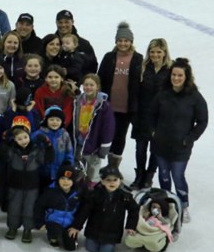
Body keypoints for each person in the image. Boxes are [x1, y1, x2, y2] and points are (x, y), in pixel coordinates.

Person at [149, 58, 208, 222]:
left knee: (178, 175)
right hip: (160, 145)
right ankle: (166, 204)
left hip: (181, 147)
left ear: (186, 77)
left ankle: (183, 204)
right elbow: (151, 115)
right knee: (164, 175)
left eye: (180, 75)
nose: (176, 78)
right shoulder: (162, 94)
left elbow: (202, 121)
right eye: (174, 75)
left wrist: (190, 138)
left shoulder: (195, 97)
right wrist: (153, 132)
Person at [96, 22, 142, 171]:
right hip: (109, 105)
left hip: (127, 107)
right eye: (120, 40)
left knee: (120, 137)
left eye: (126, 41)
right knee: (108, 134)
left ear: (131, 42)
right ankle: (107, 164)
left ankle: (114, 166)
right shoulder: (109, 57)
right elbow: (99, 78)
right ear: (116, 41)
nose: (123, 43)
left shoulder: (138, 59)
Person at [70, 166, 137, 252]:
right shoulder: (94, 194)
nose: (112, 182)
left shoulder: (125, 197)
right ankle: (94, 240)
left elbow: (134, 210)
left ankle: (108, 243)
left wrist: (130, 226)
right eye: (108, 180)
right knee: (91, 248)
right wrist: (76, 226)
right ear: (102, 181)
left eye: (115, 180)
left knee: (106, 251)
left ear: (120, 180)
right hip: (94, 230)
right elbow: (84, 211)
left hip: (112, 232)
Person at [132, 39, 171, 189]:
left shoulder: (169, 70)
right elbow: (135, 92)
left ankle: (149, 175)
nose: (155, 54)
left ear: (164, 53)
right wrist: (134, 114)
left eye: (158, 52)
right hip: (142, 114)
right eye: (152, 51)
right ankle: (139, 175)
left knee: (155, 149)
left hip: (160, 118)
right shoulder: (142, 68)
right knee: (140, 148)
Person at [2, 119, 49, 243]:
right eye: (19, 139)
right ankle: (12, 228)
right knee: (14, 207)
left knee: (29, 208)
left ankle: (27, 229)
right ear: (14, 139)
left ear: (29, 135)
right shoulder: (12, 150)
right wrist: (5, 142)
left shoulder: (36, 149)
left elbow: (47, 159)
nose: (23, 141)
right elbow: (3, 156)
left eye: (25, 137)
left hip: (32, 186)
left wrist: (48, 145)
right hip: (15, 185)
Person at [73, 74, 116, 185]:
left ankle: (92, 192)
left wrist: (104, 148)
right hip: (79, 143)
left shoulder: (103, 106)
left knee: (92, 174)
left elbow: (108, 128)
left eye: (91, 85)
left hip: (94, 146)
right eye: (86, 85)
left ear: (97, 86)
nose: (88, 87)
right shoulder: (77, 101)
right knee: (78, 172)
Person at [36, 164, 82, 251]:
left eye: (69, 179)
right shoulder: (50, 192)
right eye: (62, 179)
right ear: (58, 179)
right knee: (55, 233)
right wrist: (39, 223)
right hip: (53, 222)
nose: (65, 182)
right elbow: (39, 206)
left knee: (70, 247)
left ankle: (67, 237)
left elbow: (81, 211)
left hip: (69, 224)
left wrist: (77, 226)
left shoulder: (78, 193)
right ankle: (53, 236)